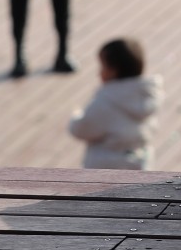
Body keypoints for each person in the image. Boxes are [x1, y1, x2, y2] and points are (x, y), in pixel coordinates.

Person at [69, 38, 163, 170]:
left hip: (105, 167)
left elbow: (80, 130)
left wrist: (76, 116)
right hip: (139, 162)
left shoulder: (105, 101)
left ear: (113, 71)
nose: (98, 72)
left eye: (102, 66)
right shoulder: (146, 94)